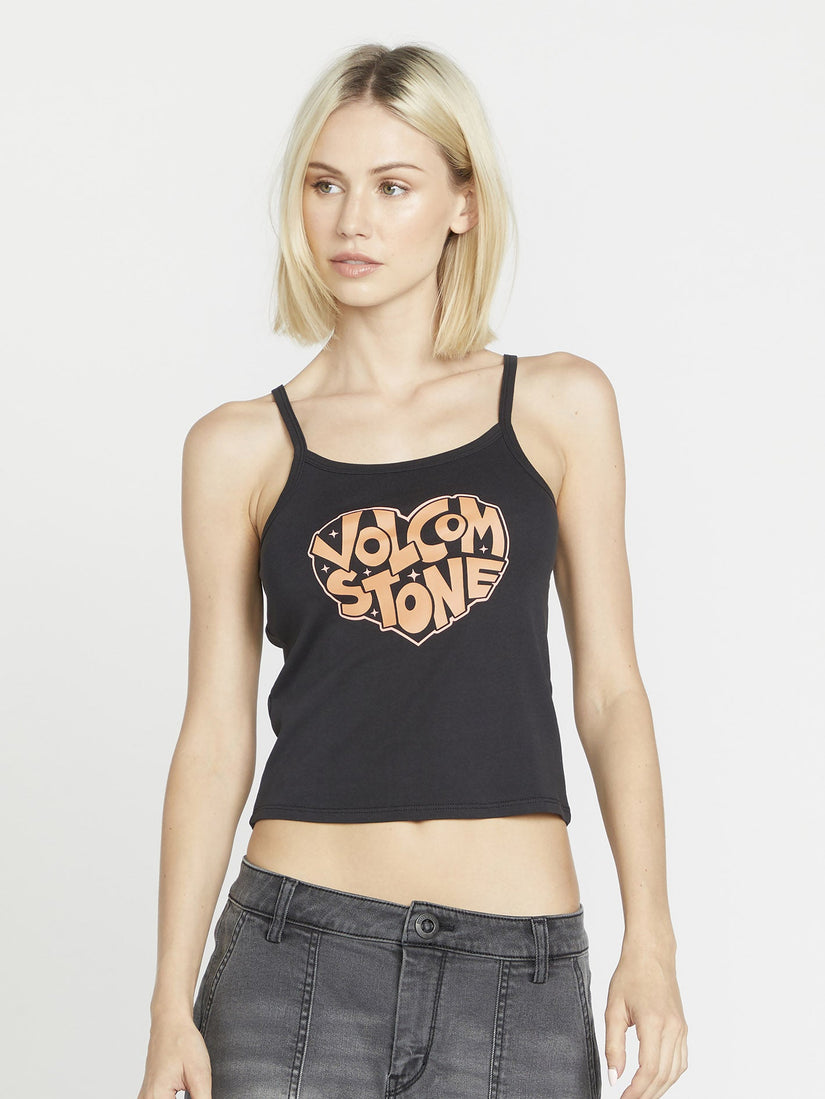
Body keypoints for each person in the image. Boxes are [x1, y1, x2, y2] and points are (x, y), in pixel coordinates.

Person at [137, 41, 688, 1099]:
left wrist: (651, 938)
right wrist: (168, 998)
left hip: (518, 971)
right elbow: (213, 733)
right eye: (325, 185)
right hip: (290, 960)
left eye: (392, 186)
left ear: (462, 203)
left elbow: (612, 691)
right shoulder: (238, 448)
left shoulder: (559, 406)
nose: (352, 221)